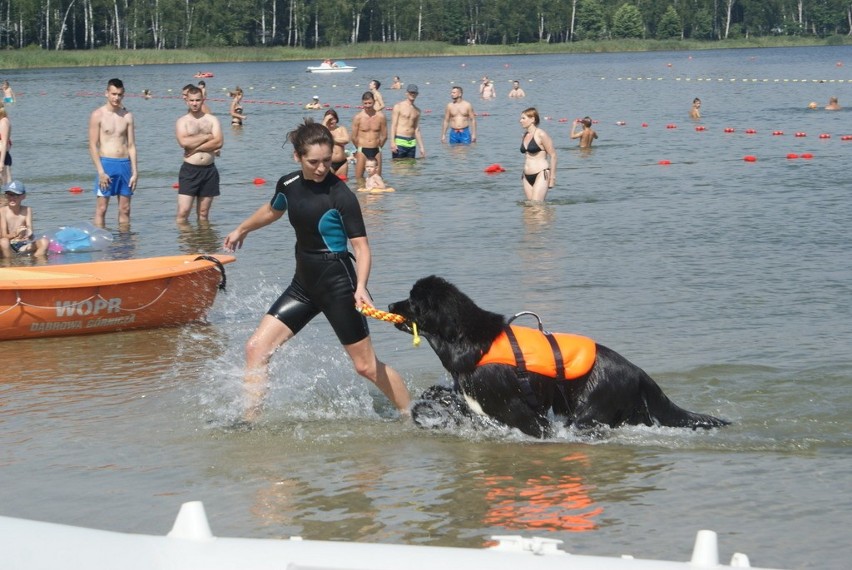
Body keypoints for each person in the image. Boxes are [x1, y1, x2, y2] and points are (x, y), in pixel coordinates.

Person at [222, 119, 411, 424]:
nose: (323, 168)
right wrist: (242, 228)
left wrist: (361, 286)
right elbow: (273, 210)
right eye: (314, 162)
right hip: (304, 285)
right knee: (256, 348)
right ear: (297, 157)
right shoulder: (288, 184)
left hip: (339, 286)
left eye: (327, 161)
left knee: (365, 367)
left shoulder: (341, 196)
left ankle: (413, 415)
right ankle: (249, 423)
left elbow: (361, 248)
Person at [88, 78, 138, 227]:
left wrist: (135, 171)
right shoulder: (98, 115)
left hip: (124, 165)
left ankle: (125, 244)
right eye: (113, 94)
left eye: (119, 94)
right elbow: (92, 145)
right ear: (107, 93)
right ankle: (100, 244)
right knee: (102, 209)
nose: (116, 98)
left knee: (125, 208)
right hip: (107, 164)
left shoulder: (127, 116)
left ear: (123, 95)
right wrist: (101, 172)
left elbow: (131, 145)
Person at [175, 85, 223, 222]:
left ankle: (203, 242)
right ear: (187, 101)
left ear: (203, 100)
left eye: (197, 100)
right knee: (183, 213)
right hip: (190, 170)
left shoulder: (212, 120)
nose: (195, 103)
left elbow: (219, 142)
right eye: (192, 100)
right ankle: (185, 242)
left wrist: (195, 149)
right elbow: (184, 143)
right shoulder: (182, 121)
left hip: (209, 170)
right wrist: (207, 137)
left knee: (203, 214)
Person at [0, 180, 49, 258]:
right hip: (9, 245)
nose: (12, 198)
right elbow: (3, 235)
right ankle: (9, 264)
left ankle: (36, 262)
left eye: (15, 195)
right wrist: (15, 234)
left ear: (23, 196)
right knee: (3, 242)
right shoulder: (3, 211)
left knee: (44, 242)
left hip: (23, 244)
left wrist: (28, 232)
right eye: (9, 195)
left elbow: (30, 232)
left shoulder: (27, 210)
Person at [519, 108, 557, 202]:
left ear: (532, 119)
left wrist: (552, 178)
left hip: (541, 173)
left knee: (536, 206)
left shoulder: (541, 134)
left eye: (523, 118)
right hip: (526, 176)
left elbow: (553, 155)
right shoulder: (524, 135)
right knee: (528, 210)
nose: (520, 121)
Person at [351, 91, 387, 180]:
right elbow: (353, 137)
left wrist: (378, 146)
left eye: (370, 103)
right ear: (362, 103)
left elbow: (384, 136)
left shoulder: (380, 117)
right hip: (362, 150)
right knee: (359, 179)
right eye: (365, 103)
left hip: (376, 150)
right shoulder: (358, 117)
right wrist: (358, 148)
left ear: (374, 102)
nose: (368, 105)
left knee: (377, 178)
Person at [390, 84, 426, 159]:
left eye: (414, 93)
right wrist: (392, 142)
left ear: (417, 94)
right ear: (406, 93)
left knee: (411, 168)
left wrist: (421, 147)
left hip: (412, 143)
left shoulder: (417, 111)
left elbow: (417, 129)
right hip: (400, 141)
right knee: (398, 167)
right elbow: (393, 125)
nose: (412, 94)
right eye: (411, 92)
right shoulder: (398, 106)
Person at [322, 109, 351, 180]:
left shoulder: (341, 129)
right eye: (329, 119)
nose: (331, 121)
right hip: (329, 163)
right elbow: (321, 135)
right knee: (327, 184)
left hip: (342, 163)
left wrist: (332, 140)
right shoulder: (325, 130)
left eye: (333, 119)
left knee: (342, 183)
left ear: (336, 119)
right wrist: (325, 121)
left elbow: (346, 140)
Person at [0, 102, 12, 188]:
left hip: (2, 156)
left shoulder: (4, 121)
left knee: (7, 186)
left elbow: (4, 143)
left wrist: (1, 162)